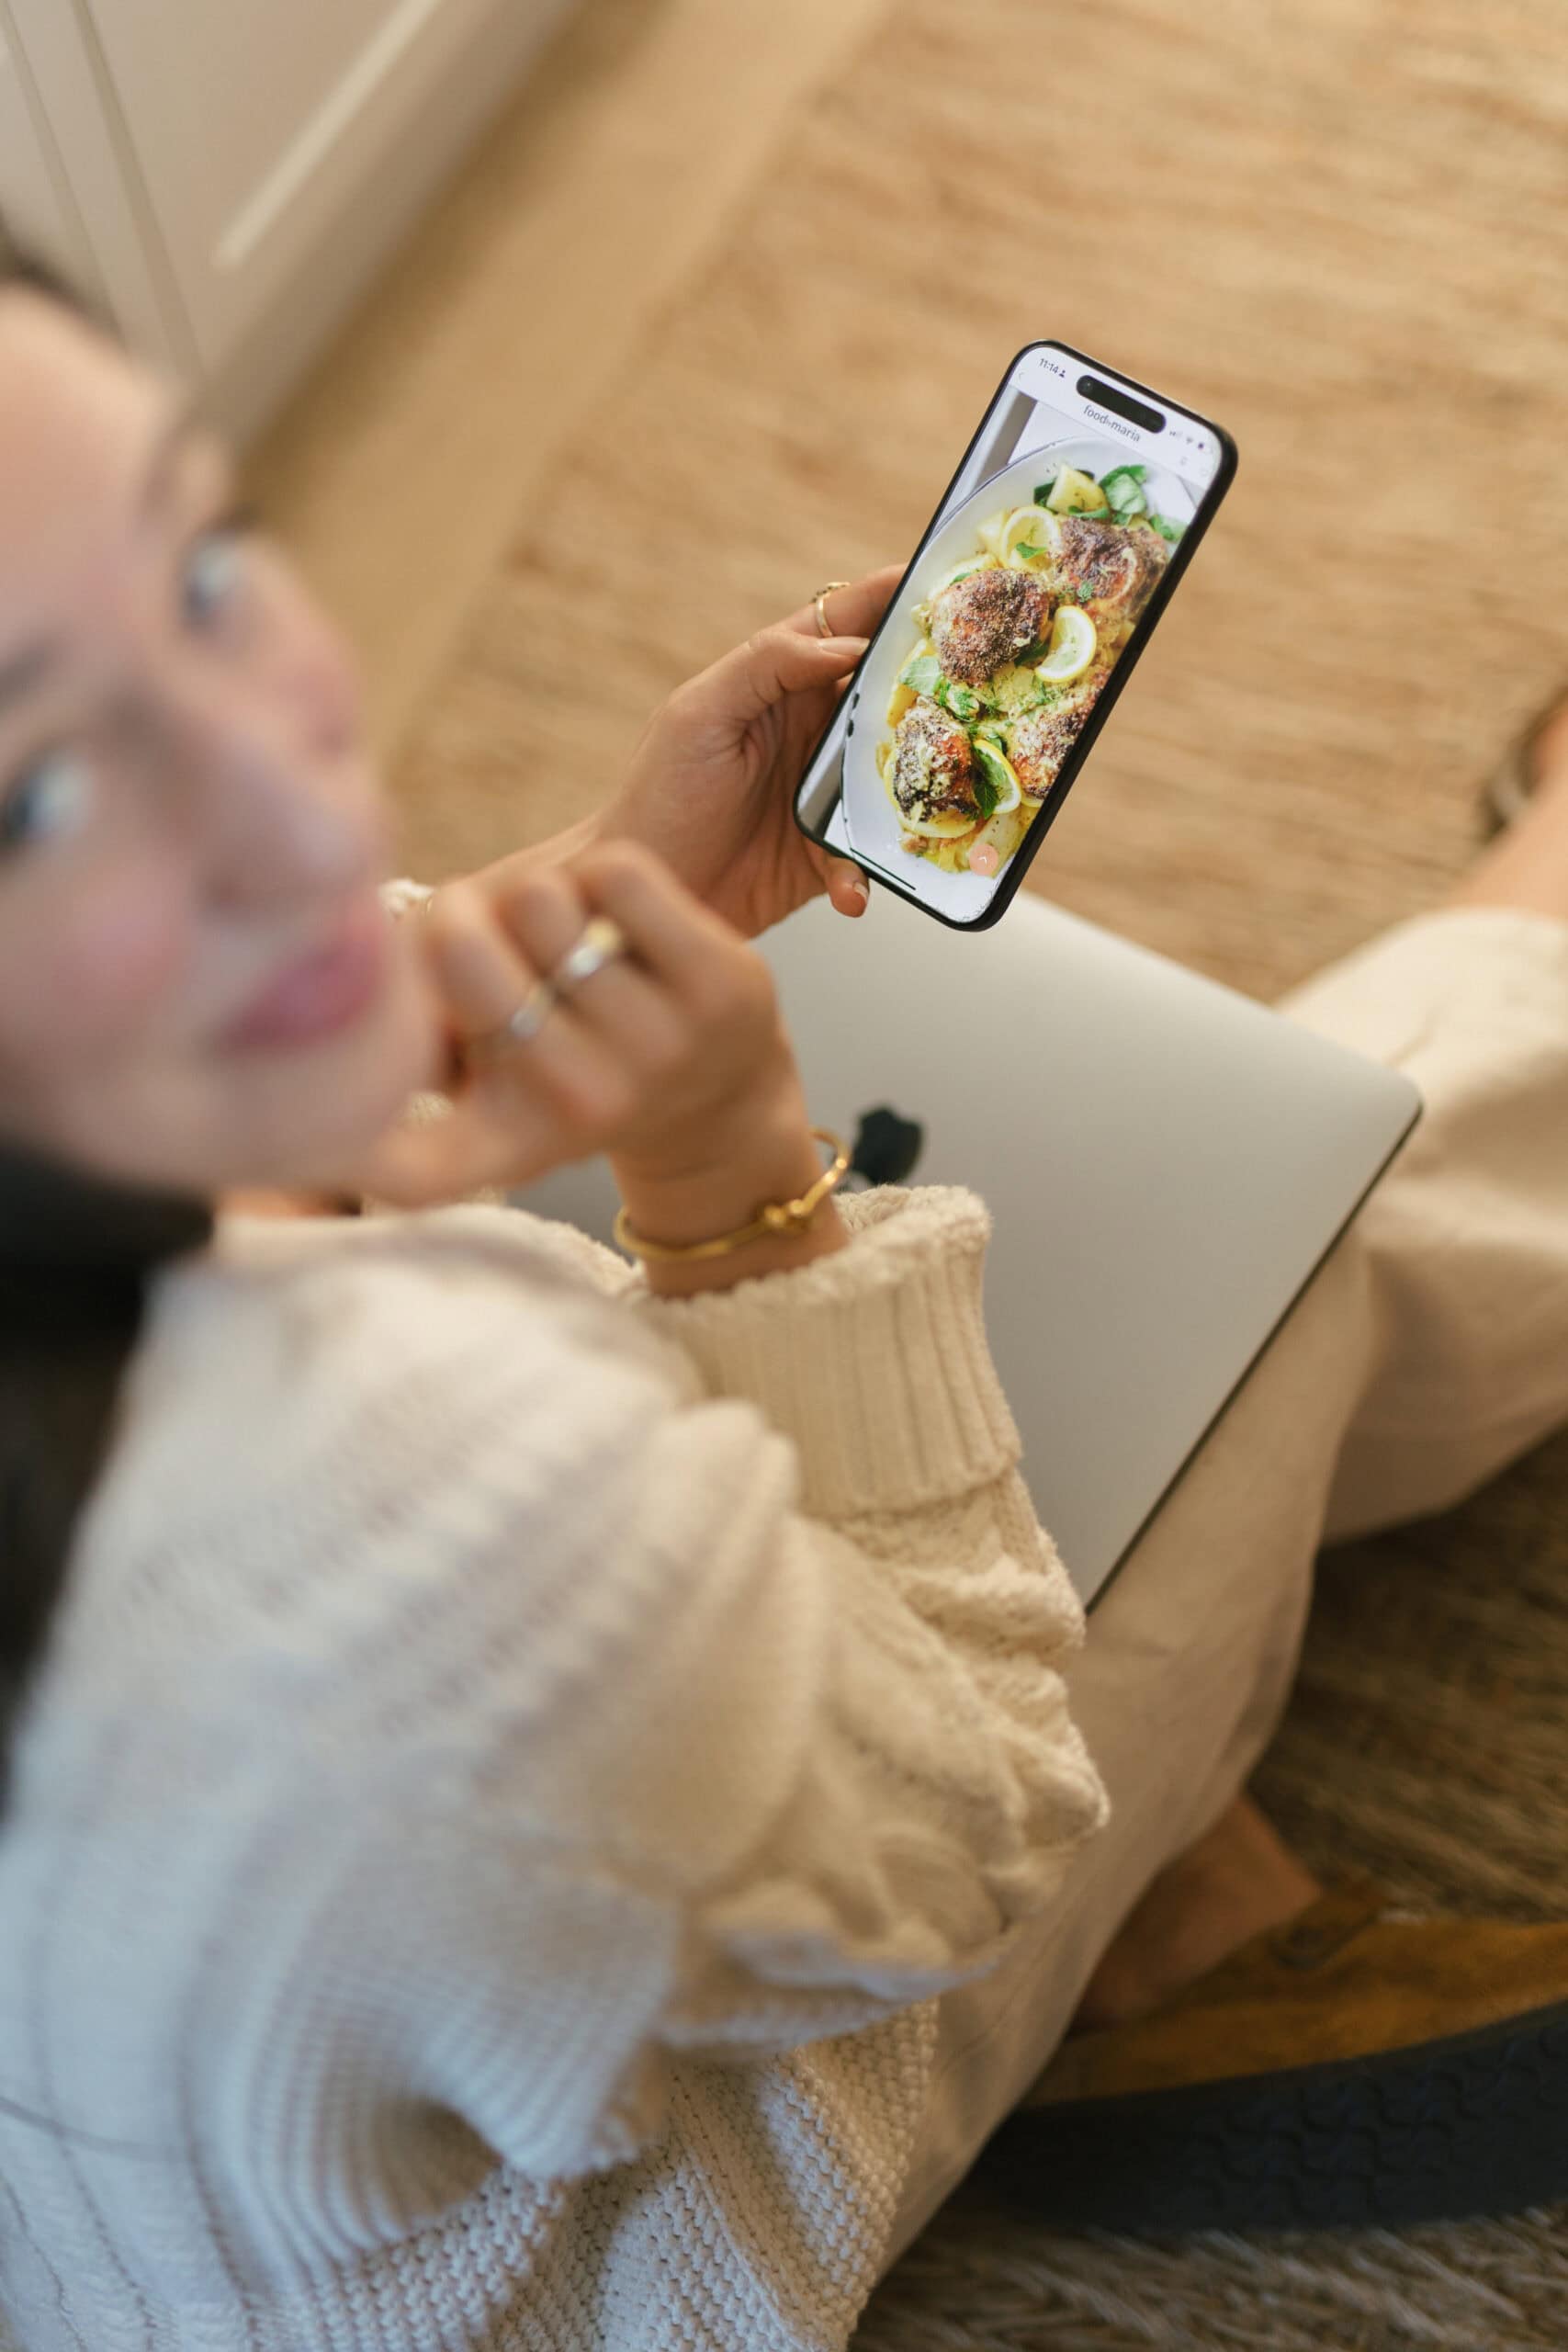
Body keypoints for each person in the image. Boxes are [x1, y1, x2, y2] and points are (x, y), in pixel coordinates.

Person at [0, 261, 1564, 2352]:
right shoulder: (394, 1525)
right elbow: (972, 1818)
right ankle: (1171, 1922)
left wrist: (514, 940)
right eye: (42, 790)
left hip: (268, 2154)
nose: (289, 787)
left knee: (1216, 1175)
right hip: (643, 2228)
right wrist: (730, 1182)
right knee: (1288, 1263)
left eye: (202, 568)